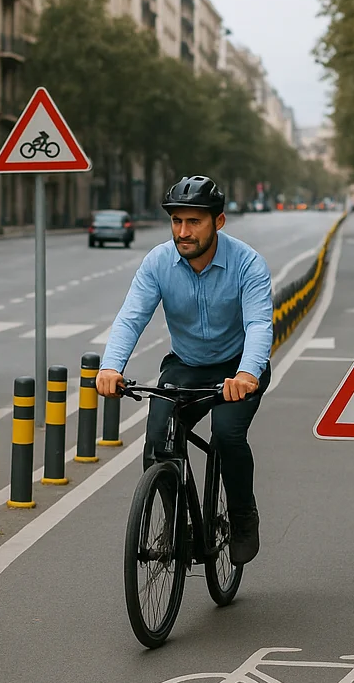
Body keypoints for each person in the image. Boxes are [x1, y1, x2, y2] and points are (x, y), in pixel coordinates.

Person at [96, 175, 273, 564]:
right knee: (158, 440)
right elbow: (131, 318)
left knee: (227, 435)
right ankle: (180, 527)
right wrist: (111, 366)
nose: (183, 231)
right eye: (177, 221)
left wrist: (247, 375)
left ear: (218, 222)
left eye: (194, 222)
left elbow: (260, 325)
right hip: (187, 366)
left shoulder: (247, 264)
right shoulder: (159, 262)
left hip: (237, 370)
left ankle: (243, 517)